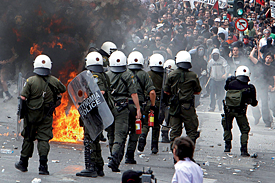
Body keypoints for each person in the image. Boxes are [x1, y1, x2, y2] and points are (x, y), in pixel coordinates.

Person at [15, 54, 66, 175]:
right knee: (43, 139)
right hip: (46, 115)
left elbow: (22, 97)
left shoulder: (30, 81)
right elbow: (63, 89)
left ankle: (23, 163)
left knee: (28, 138)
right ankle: (43, 167)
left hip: (30, 116)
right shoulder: (54, 80)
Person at [76, 51, 112, 177]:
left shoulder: (94, 75)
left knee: (89, 138)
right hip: (99, 111)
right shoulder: (103, 74)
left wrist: (88, 103)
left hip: (94, 112)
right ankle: (98, 166)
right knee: (95, 137)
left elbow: (100, 92)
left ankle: (90, 167)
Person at [107, 50, 141, 172]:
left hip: (109, 108)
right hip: (122, 109)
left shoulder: (107, 75)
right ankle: (114, 158)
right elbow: (133, 93)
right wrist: (138, 108)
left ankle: (113, 159)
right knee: (120, 135)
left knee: (111, 134)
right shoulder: (127, 75)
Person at [163, 51, 201, 150]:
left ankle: (175, 156)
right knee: (192, 131)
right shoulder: (193, 75)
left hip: (174, 107)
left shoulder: (171, 75)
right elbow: (197, 91)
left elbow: (166, 91)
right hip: (188, 107)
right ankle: (188, 155)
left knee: (175, 132)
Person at [125, 51, 156, 164]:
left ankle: (116, 155)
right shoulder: (144, 75)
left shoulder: (124, 73)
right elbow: (152, 92)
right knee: (135, 131)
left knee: (121, 132)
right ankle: (129, 156)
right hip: (137, 108)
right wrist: (152, 106)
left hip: (123, 106)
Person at [222, 66, 258, 156]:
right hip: (240, 112)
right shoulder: (249, 88)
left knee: (227, 127)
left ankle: (227, 146)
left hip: (228, 110)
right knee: (245, 130)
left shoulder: (230, 83)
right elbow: (254, 103)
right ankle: (243, 150)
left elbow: (225, 87)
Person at [138, 53, 165, 154]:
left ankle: (142, 136)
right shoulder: (164, 75)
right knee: (156, 125)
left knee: (146, 123)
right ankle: (154, 146)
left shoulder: (147, 74)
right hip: (159, 103)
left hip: (148, 102)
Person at [249, 48, 275, 127]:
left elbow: (274, 77)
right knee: (253, 103)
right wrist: (254, 50)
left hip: (265, 87)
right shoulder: (260, 64)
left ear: (272, 60)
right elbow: (251, 57)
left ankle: (267, 121)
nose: (268, 59)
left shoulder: (272, 68)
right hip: (257, 86)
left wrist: (274, 87)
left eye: (270, 58)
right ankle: (257, 116)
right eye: (267, 57)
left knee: (265, 104)